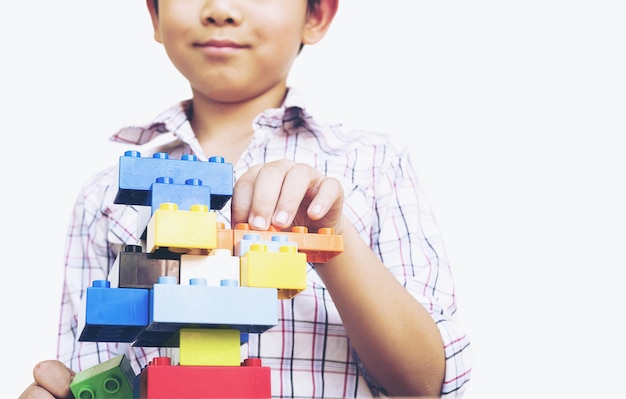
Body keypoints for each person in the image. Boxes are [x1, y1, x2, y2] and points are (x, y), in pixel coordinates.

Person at [19, 0, 472, 398]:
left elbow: (427, 382)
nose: (220, 8)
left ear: (316, 14)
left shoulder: (373, 164)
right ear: (154, 14)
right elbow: (93, 369)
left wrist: (333, 242)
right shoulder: (103, 197)